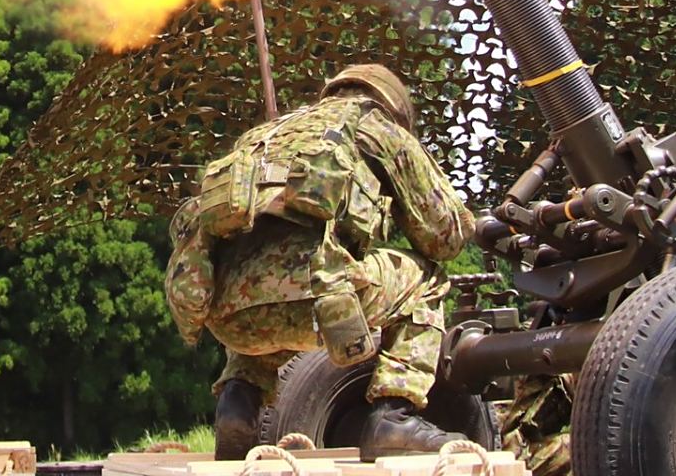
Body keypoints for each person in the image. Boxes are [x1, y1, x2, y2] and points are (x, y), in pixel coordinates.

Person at [164, 64, 474, 461]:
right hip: (325, 299)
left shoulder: (263, 136)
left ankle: (237, 405)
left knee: (252, 272)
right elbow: (444, 237)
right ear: (393, 106)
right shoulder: (377, 126)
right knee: (429, 278)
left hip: (228, 317)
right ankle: (394, 416)